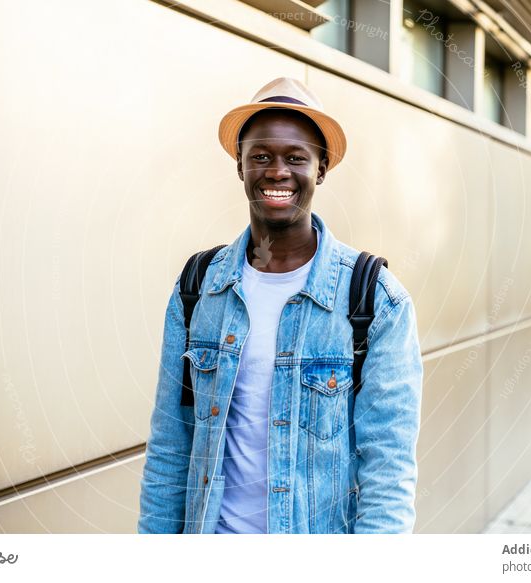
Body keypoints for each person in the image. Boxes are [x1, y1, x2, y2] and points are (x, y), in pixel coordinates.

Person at [138, 77, 423, 534]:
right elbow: (171, 446)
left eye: (296, 158)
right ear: (240, 166)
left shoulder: (375, 300)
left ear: (321, 169)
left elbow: (387, 470)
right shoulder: (198, 288)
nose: (277, 171)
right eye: (261, 157)